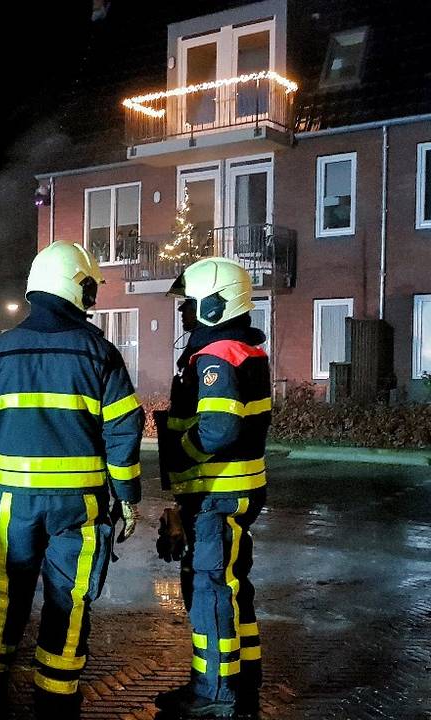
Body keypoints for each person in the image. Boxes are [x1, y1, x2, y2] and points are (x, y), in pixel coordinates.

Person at [0, 242, 143, 715]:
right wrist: (127, 497)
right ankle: (56, 705)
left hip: (13, 507)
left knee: (5, 598)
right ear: (77, 287)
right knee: (69, 603)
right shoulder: (100, 354)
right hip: (78, 509)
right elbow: (124, 428)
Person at [154, 258, 270, 718]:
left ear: (216, 305)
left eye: (190, 302)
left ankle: (215, 691)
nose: (184, 311)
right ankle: (244, 679)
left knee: (211, 590)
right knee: (234, 587)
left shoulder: (218, 356)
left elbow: (217, 430)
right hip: (233, 493)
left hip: (217, 495)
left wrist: (181, 453)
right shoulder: (241, 351)